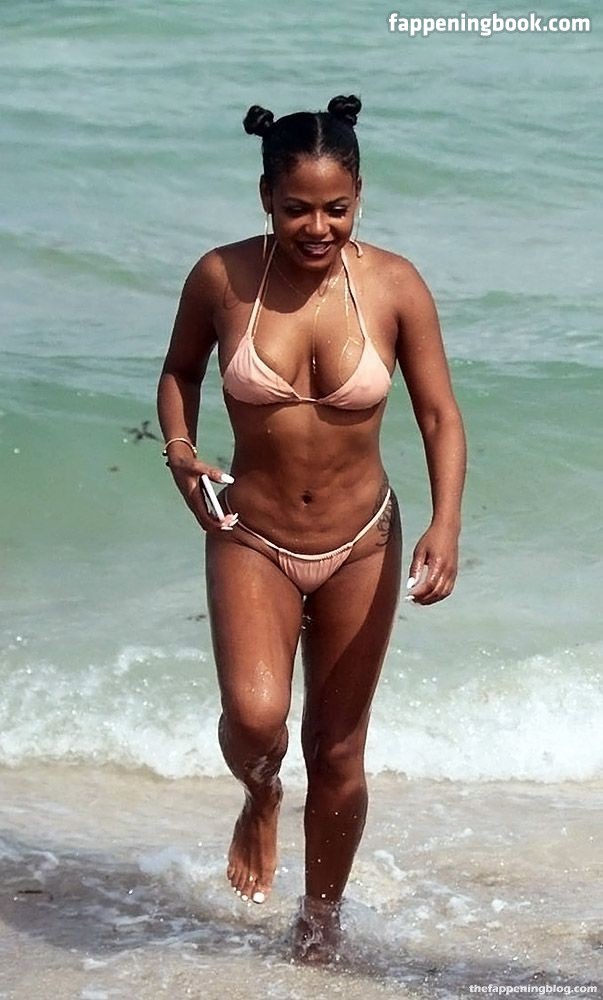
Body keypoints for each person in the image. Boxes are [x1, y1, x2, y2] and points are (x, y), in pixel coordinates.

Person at [156, 95, 466, 962]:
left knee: (337, 752)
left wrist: (445, 522)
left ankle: (319, 920)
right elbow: (179, 373)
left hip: (362, 540)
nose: (317, 227)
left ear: (358, 195)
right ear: (266, 197)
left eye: (335, 208)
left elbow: (438, 415)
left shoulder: (394, 285)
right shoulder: (221, 278)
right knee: (257, 721)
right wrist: (180, 452)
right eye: (296, 208)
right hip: (249, 533)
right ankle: (259, 794)